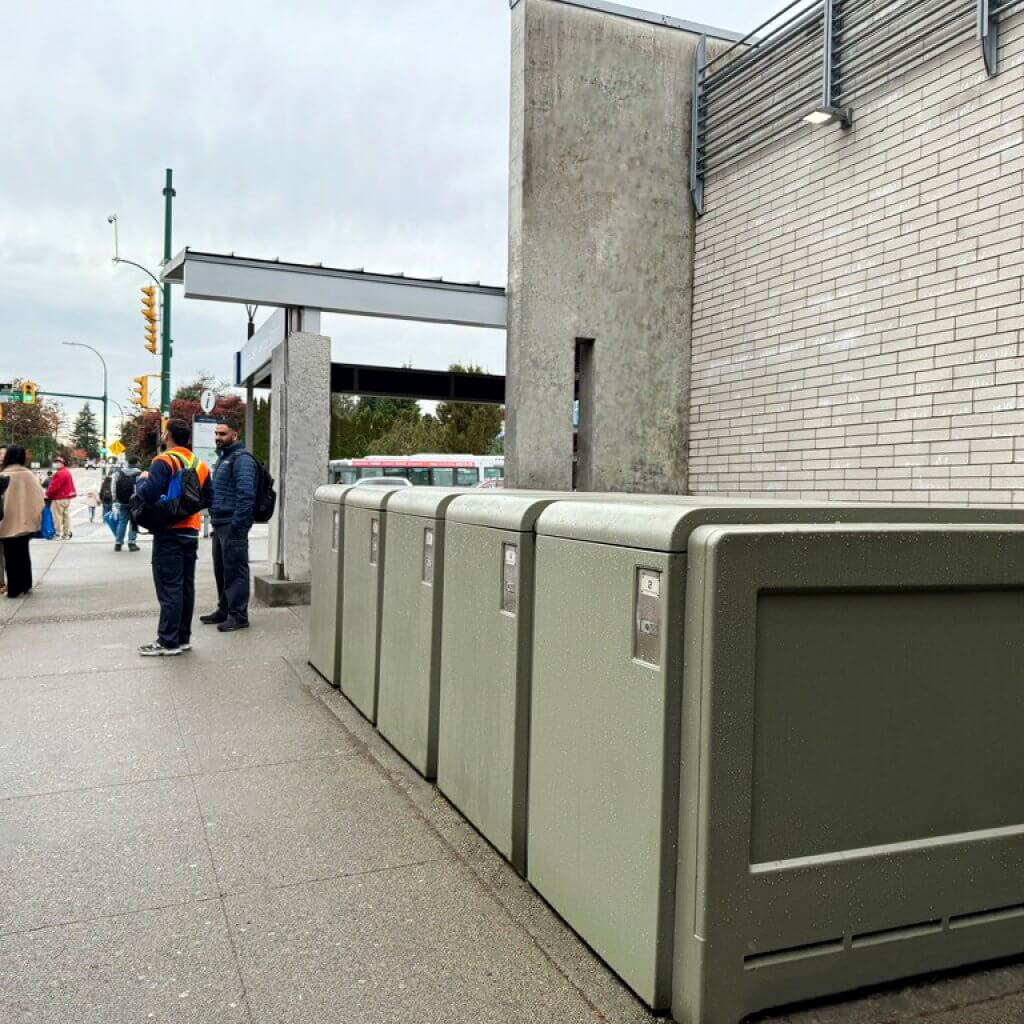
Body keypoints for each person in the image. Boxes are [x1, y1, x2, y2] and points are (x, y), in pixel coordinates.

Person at [134, 419, 212, 656]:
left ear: (167, 436)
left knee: (169, 588)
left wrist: (142, 480)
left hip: (169, 531)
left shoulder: (164, 460)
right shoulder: (200, 464)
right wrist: (186, 508)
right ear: (187, 438)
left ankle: (167, 641)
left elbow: (148, 494)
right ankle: (183, 638)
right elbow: (209, 497)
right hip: (191, 531)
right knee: (185, 587)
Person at [201, 416, 257, 632]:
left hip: (232, 525)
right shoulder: (224, 458)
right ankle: (224, 609)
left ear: (235, 435)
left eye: (222, 434)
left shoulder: (241, 459)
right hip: (221, 523)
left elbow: (246, 494)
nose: (218, 437)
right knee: (222, 570)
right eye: (216, 433)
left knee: (235, 571)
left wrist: (238, 526)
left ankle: (238, 615)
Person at [0, 446, 45, 598]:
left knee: (10, 557)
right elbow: (40, 499)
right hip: (26, 523)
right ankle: (26, 584)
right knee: (23, 553)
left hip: (7, 522)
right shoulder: (29, 476)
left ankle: (13, 589)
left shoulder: (3, 475)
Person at [113, 455, 142, 552]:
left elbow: (113, 485)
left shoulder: (120, 472)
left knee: (122, 522)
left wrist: (115, 498)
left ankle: (118, 543)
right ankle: (132, 543)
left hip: (122, 501)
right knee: (133, 522)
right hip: (134, 502)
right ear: (136, 463)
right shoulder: (138, 473)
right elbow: (140, 489)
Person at [46, 457, 76, 540]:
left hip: (58, 498)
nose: (57, 464)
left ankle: (58, 534)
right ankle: (66, 534)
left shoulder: (59, 473)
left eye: (59, 462)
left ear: (63, 463)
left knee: (57, 517)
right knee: (66, 517)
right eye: (56, 462)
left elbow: (54, 486)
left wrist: (47, 494)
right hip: (66, 498)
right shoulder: (67, 472)